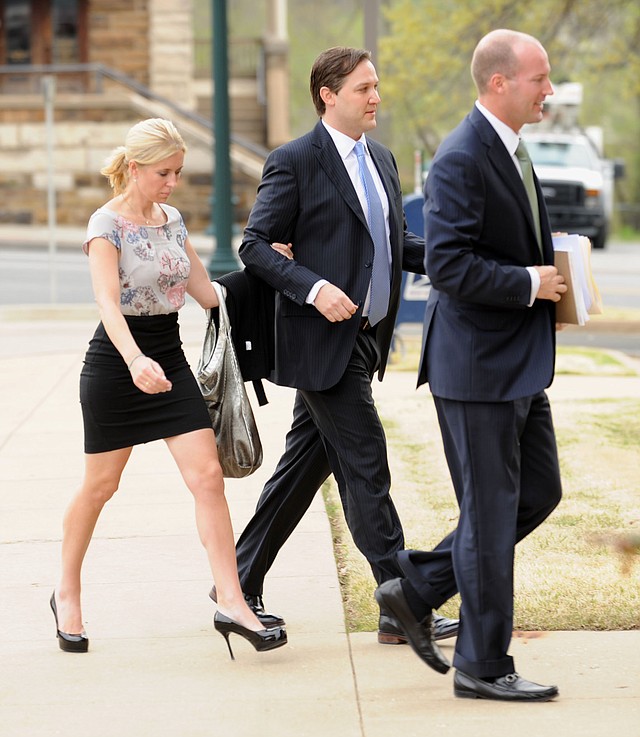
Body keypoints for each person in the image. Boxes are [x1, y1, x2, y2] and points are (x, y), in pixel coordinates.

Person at [226, 46, 459, 645]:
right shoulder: (295, 161)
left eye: (376, 86)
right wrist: (314, 288)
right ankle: (402, 605)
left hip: (363, 340)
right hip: (319, 340)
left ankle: (236, 584)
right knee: (366, 467)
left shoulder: (381, 159)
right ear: (328, 95)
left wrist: (460, 263)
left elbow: (396, 241)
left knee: (303, 469)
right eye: (362, 88)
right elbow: (254, 245)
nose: (374, 96)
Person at [374, 29, 566, 701]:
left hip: (516, 362)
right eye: (540, 78)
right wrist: (527, 284)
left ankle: (417, 585)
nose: (549, 89)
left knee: (537, 493)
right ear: (499, 83)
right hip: (478, 367)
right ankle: (483, 666)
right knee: (488, 518)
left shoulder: (510, 150)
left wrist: (555, 275)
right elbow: (449, 265)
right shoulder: (460, 157)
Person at [50, 118, 287, 659]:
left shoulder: (172, 220)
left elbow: (205, 291)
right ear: (134, 168)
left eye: (178, 172)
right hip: (116, 364)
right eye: (163, 172)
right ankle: (67, 591)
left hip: (170, 360)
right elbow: (108, 303)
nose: (172, 183)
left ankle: (232, 600)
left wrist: (273, 268)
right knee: (100, 488)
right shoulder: (104, 226)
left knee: (207, 477)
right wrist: (134, 361)